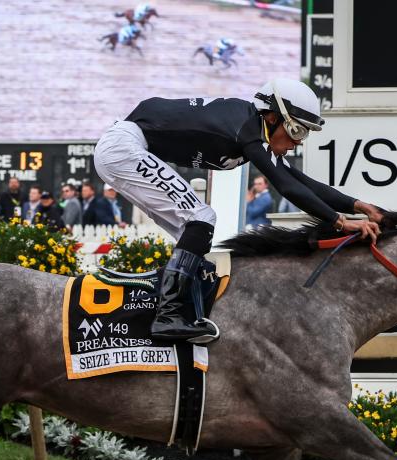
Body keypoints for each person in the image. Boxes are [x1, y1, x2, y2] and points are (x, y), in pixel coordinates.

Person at [94, 78, 381, 342]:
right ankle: (168, 316)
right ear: (272, 116)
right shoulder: (248, 129)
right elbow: (287, 187)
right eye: (296, 130)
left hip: (125, 147)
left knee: (193, 233)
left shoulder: (251, 127)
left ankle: (168, 305)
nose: (297, 142)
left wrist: (356, 205)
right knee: (202, 218)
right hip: (124, 147)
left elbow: (300, 180)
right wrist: (341, 222)